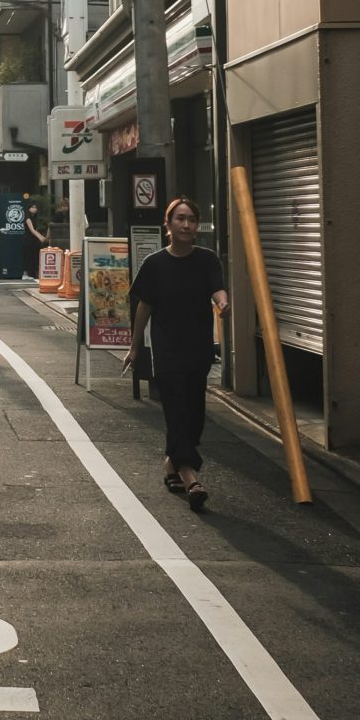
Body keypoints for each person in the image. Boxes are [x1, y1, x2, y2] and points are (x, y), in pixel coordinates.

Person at [124, 195, 228, 513]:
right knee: (176, 410)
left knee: (194, 414)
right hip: (168, 350)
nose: (186, 224)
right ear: (168, 225)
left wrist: (223, 302)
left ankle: (171, 464)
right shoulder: (155, 264)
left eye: (191, 219)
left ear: (197, 226)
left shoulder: (207, 259)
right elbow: (144, 306)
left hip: (198, 349)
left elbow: (217, 288)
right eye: (180, 219)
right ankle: (190, 476)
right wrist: (135, 345)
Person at [22, 200, 49, 280]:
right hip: (28, 239)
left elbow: (35, 230)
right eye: (33, 207)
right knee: (28, 256)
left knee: (34, 256)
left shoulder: (34, 218)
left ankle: (32, 274)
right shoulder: (28, 218)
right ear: (29, 208)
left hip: (33, 239)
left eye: (36, 207)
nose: (35, 209)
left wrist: (42, 236)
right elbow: (32, 230)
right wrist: (40, 237)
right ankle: (25, 273)